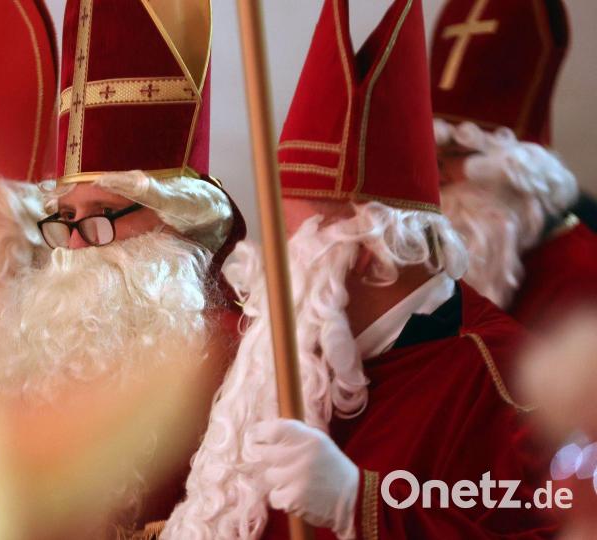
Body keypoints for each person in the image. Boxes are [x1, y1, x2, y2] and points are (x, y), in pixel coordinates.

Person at [164, 1, 558, 538]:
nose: (269, 258)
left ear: (369, 249)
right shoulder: (299, 361)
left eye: (291, 235)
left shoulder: (510, 384)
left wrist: (361, 505)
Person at [0, 0, 246, 537]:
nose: (78, 243)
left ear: (177, 221)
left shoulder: (234, 354)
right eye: (66, 218)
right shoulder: (44, 342)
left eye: (104, 216)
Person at [430, 0, 597, 326]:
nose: (437, 176)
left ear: (522, 171)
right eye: (430, 151)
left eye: (458, 153)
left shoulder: (583, 283)